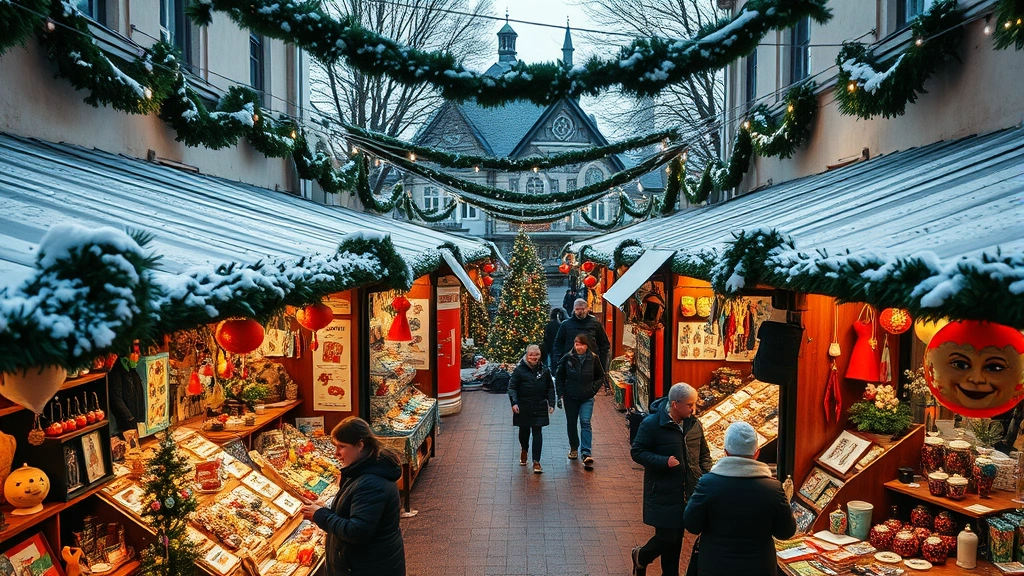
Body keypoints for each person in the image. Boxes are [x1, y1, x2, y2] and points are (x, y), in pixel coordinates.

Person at [683, 421, 797, 576]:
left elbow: (692, 524)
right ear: (756, 453)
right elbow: (786, 532)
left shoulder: (708, 484)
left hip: (715, 566)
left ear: (725, 452)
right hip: (759, 568)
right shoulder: (773, 488)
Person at [302, 417, 406, 576]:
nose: (336, 454)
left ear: (360, 445)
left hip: (368, 567)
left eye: (342, 447)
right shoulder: (362, 471)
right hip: (368, 563)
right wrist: (329, 509)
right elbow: (356, 512)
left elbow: (357, 531)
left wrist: (320, 515)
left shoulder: (371, 483)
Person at [630, 383, 712, 576]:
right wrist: (663, 461)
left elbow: (704, 454)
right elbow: (637, 452)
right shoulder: (651, 424)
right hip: (662, 491)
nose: (694, 409)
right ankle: (642, 556)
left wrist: (706, 476)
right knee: (667, 536)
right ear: (675, 404)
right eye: (690, 405)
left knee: (676, 539)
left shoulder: (694, 424)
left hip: (687, 491)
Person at [555, 333, 606, 470]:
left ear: (586, 345)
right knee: (571, 423)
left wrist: (592, 389)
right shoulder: (568, 358)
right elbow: (559, 376)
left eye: (582, 345)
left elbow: (600, 376)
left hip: (587, 397)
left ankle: (586, 452)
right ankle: (574, 447)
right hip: (570, 396)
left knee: (585, 422)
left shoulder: (593, 359)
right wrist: (561, 393)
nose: (579, 347)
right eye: (577, 344)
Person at [508, 344, 556, 473]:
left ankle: (536, 461)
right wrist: (514, 402)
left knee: (537, 432)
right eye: (531, 355)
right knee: (524, 431)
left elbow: (550, 387)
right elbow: (512, 387)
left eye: (537, 355)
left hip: (539, 404)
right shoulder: (519, 370)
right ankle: (524, 449)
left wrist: (551, 402)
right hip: (523, 405)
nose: (534, 357)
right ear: (526, 355)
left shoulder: (544, 370)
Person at [552, 298, 611, 372]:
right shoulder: (566, 325)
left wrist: (601, 363)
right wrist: (558, 363)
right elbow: (558, 344)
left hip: (591, 363)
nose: (580, 311)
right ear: (574, 310)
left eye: (582, 309)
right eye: (577, 309)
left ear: (587, 309)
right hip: (571, 363)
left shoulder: (595, 324)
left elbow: (604, 345)